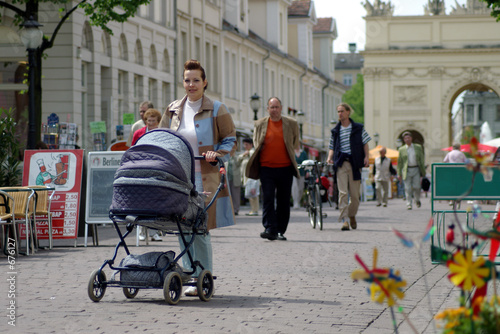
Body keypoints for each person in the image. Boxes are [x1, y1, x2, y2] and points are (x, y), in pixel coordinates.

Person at [159, 59, 236, 296]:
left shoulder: (217, 109)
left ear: (204, 83)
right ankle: (190, 273)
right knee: (183, 225)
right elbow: (161, 136)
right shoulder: (173, 109)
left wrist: (217, 153)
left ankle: (203, 277)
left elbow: (231, 139)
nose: (191, 84)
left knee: (200, 228)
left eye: (195, 80)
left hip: (205, 175)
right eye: (187, 80)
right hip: (179, 177)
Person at [246, 97, 300, 241]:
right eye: (272, 107)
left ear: (281, 108)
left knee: (283, 200)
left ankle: (281, 230)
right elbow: (256, 141)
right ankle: (270, 228)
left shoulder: (291, 123)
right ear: (267, 109)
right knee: (268, 198)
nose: (274, 110)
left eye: (277, 107)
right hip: (266, 168)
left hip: (285, 168)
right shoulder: (260, 124)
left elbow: (295, 142)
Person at [327, 103, 371, 231]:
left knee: (355, 196)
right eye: (338, 111)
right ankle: (345, 220)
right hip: (341, 163)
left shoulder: (358, 128)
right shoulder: (335, 130)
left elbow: (365, 143)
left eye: (342, 111)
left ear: (348, 112)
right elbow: (331, 146)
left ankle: (352, 215)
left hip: (355, 162)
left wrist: (366, 157)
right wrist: (330, 157)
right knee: (343, 193)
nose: (340, 114)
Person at [131, 108, 164, 242]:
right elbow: (132, 149)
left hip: (156, 169)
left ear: (158, 122)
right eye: (148, 121)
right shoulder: (139, 133)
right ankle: (141, 229)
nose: (150, 124)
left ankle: (154, 231)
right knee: (141, 199)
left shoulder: (161, 133)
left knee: (155, 201)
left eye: (153, 121)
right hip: (141, 168)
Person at [397, 131, 426, 210]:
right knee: (408, 188)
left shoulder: (418, 147)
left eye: (408, 138)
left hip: (416, 168)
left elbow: (421, 159)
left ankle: (417, 199)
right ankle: (409, 203)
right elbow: (399, 162)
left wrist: (423, 171)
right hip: (406, 170)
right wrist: (399, 173)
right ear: (404, 140)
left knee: (417, 187)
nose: (407, 139)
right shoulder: (401, 149)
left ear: (411, 138)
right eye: (405, 138)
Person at [238, 138, 259, 216]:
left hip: (252, 176)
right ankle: (252, 209)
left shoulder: (252, 152)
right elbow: (238, 160)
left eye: (247, 144)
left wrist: (248, 153)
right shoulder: (244, 153)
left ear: (251, 145)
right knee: (250, 194)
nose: (245, 146)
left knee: (254, 193)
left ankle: (255, 210)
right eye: (244, 144)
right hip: (245, 177)